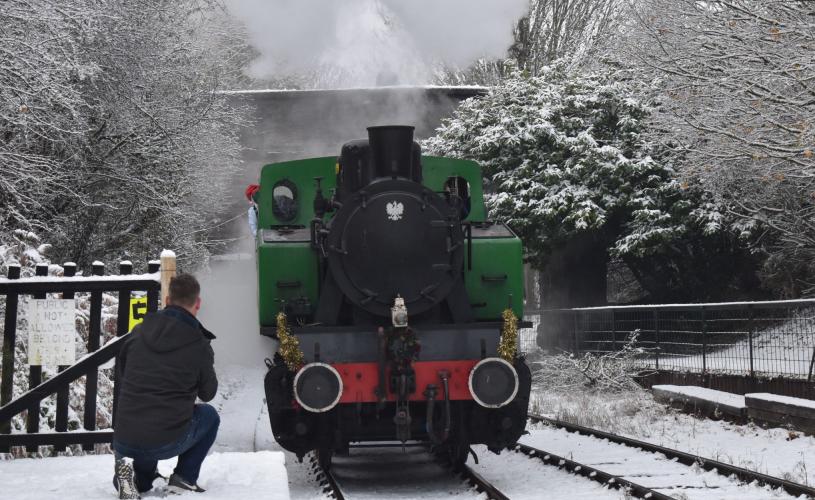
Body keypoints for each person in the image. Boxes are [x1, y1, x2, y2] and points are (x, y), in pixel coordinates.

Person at [112, 273, 219, 499]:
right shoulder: (199, 344)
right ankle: (184, 478)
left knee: (144, 427)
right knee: (209, 416)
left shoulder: (138, 333)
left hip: (125, 437)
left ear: (168, 300)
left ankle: (132, 479)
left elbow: (122, 375)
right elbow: (208, 394)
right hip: (165, 438)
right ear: (197, 303)